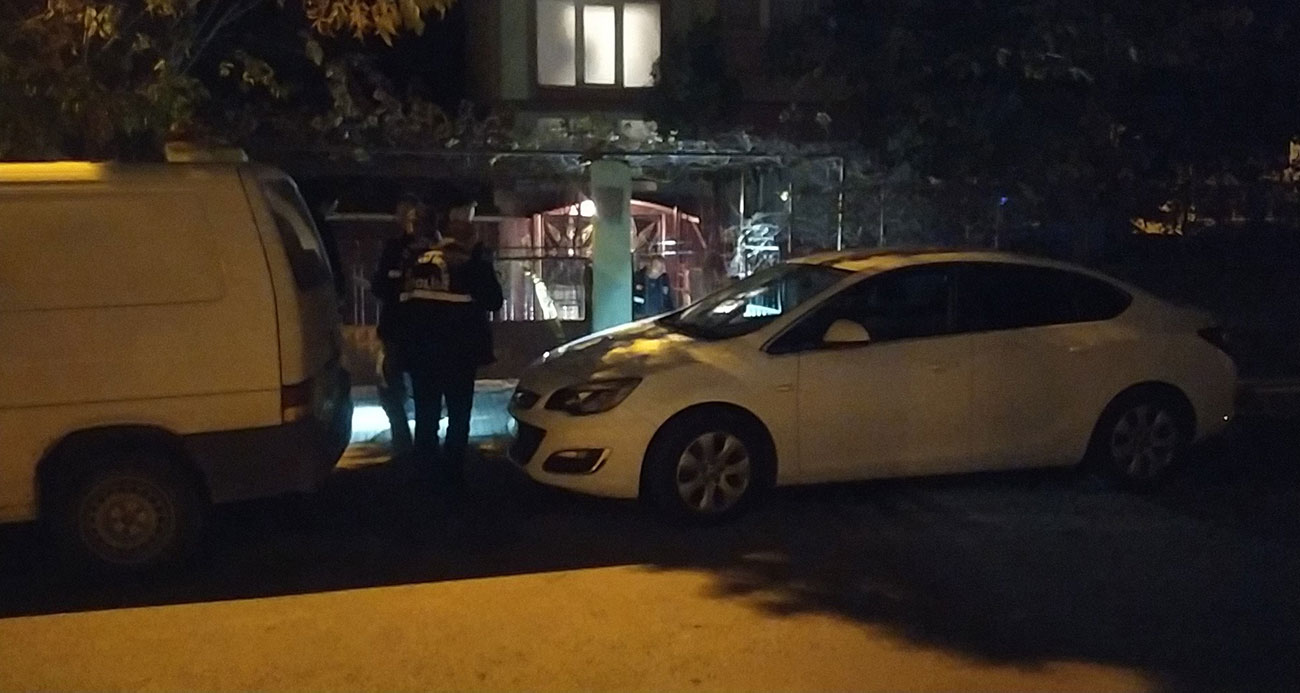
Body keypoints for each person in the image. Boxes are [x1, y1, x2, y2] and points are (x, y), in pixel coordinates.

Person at [396, 201, 503, 487]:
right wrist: (482, 260)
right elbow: (494, 300)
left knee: (426, 416)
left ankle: (424, 475)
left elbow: (403, 305)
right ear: (470, 238)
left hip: (422, 354)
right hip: (459, 354)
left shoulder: (418, 262)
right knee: (458, 416)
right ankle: (452, 477)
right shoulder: (470, 264)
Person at [370, 193, 426, 457]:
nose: (406, 220)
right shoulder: (394, 248)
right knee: (391, 388)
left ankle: (420, 445)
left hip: (420, 330)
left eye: (410, 215)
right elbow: (379, 285)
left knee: (420, 389)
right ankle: (404, 442)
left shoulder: (432, 248)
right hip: (397, 330)